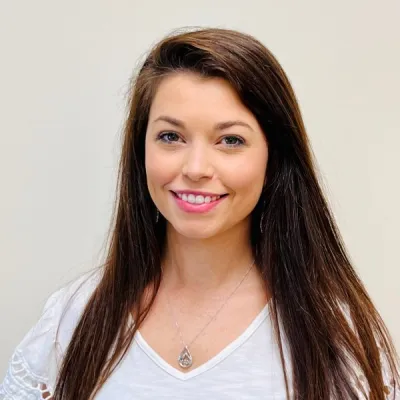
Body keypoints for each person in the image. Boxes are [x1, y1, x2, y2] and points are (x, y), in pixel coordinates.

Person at [0, 27, 399, 400]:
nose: (195, 168)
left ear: (273, 159)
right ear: (141, 151)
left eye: (230, 140)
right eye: (170, 136)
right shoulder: (71, 319)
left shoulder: (337, 337)